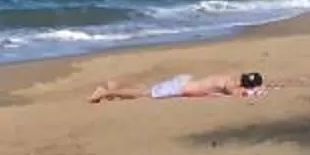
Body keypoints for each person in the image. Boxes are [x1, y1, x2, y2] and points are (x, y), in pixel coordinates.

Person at [88, 70, 264, 102]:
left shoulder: (228, 77)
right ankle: (105, 92)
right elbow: (237, 94)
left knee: (147, 89)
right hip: (181, 88)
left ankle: (114, 87)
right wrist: (255, 92)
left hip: (184, 82)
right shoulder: (229, 84)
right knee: (144, 94)